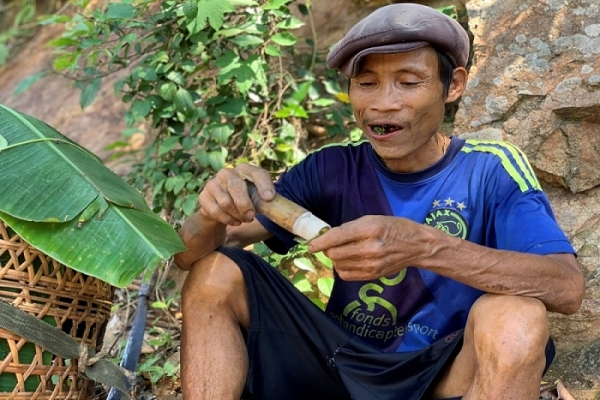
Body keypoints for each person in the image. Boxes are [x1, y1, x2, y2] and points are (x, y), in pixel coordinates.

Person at [174, 3, 586, 399]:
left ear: (454, 85)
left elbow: (566, 287)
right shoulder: (332, 166)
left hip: (443, 373)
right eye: (366, 83)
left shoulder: (489, 170)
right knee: (215, 272)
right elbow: (192, 256)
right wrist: (212, 212)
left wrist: (426, 246)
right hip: (341, 364)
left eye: (408, 82)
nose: (382, 103)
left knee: (517, 317)